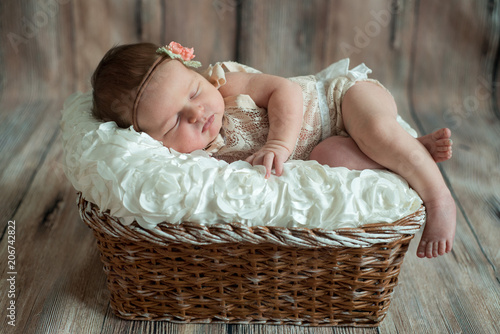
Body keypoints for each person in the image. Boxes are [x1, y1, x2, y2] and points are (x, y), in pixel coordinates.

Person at [91, 42, 456, 259]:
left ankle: (439, 198)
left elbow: (287, 91)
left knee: (375, 129)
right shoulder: (193, 161)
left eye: (193, 93)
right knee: (330, 159)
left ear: (197, 73)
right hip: (328, 142)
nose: (197, 114)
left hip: (343, 101)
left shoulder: (226, 82)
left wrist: (278, 144)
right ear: (151, 142)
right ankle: (404, 150)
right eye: (173, 124)